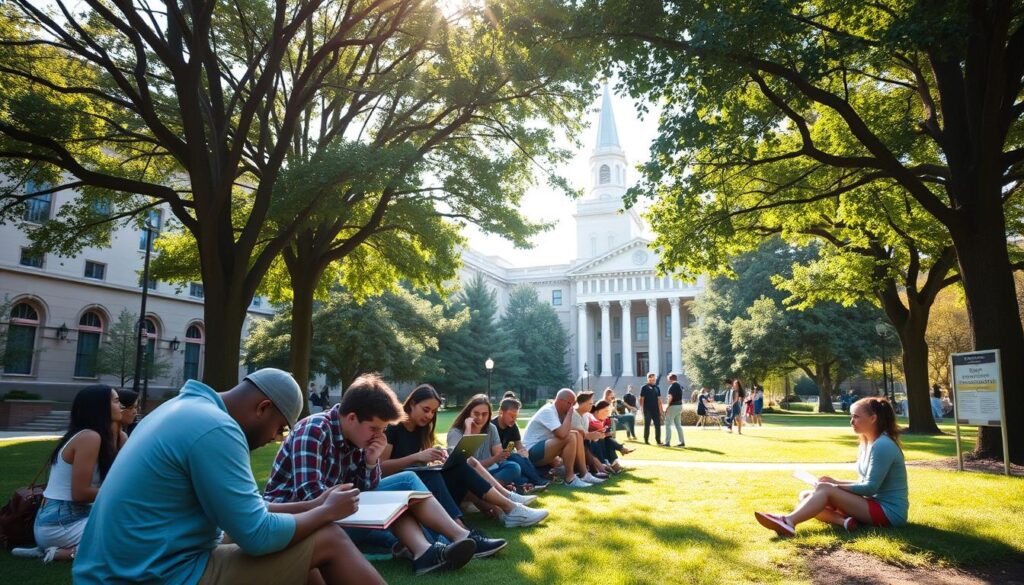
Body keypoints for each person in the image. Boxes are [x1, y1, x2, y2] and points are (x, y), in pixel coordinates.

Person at [73, 368, 384, 585]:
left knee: (303, 543)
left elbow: (246, 511)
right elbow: (258, 535)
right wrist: (325, 513)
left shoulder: (180, 409)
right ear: (263, 407)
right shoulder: (217, 428)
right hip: (153, 576)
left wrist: (314, 505)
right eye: (279, 428)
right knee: (328, 538)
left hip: (118, 570)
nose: (274, 438)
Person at [263, 375, 507, 575]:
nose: (378, 436)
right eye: (375, 428)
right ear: (351, 418)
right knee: (398, 493)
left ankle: (436, 548)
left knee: (405, 485)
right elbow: (315, 499)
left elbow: (369, 486)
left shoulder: (356, 437)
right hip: (301, 522)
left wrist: (370, 462)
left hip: (338, 513)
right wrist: (368, 496)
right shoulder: (313, 430)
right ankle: (445, 542)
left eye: (382, 430)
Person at [378, 386, 527, 543]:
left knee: (461, 465)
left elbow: (417, 464)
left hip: (421, 484)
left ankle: (507, 508)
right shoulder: (394, 428)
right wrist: (417, 456)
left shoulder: (420, 430)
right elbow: (382, 468)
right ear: (412, 404)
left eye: (433, 412)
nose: (429, 415)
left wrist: (435, 456)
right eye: (426, 409)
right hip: (401, 488)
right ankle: (465, 532)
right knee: (439, 473)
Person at [755, 397, 909, 537]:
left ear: (873, 418)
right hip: (870, 504)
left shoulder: (883, 445)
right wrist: (834, 481)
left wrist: (833, 486)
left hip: (889, 513)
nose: (851, 421)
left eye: (856, 417)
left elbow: (870, 487)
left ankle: (788, 522)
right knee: (806, 496)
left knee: (825, 489)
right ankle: (846, 522)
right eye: (851, 416)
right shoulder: (866, 443)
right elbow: (863, 481)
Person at [12, 386, 123, 563]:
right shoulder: (89, 437)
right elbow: (79, 493)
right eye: (116, 401)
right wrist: (122, 492)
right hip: (61, 523)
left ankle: (50, 549)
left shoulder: (91, 436)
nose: (122, 406)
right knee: (132, 537)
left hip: (62, 519)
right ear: (99, 407)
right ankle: (59, 553)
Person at [445, 395, 550, 523]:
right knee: (472, 463)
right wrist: (468, 428)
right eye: (476, 414)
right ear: (468, 413)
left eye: (484, 414)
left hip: (490, 472)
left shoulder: (491, 428)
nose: (480, 418)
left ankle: (507, 497)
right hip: (467, 477)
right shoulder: (456, 432)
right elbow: (462, 463)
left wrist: (501, 456)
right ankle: (508, 498)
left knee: (513, 465)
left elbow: (499, 457)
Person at [521, 389, 591, 488]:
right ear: (560, 401)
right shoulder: (548, 411)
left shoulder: (559, 412)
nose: (572, 407)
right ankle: (570, 479)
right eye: (570, 403)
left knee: (576, 434)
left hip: (542, 449)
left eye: (573, 404)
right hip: (531, 452)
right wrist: (570, 413)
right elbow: (562, 434)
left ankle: (585, 474)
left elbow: (568, 431)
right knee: (570, 436)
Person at [492, 398, 550, 491]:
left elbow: (519, 446)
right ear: (501, 412)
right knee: (515, 457)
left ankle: (532, 481)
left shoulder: (512, 426)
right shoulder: (492, 426)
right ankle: (537, 480)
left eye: (516, 417)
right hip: (496, 461)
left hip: (507, 459)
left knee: (519, 458)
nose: (514, 419)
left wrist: (523, 453)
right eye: (511, 416)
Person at [639, 373, 663, 445]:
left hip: (656, 410)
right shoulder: (644, 387)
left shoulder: (657, 387)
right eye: (652, 379)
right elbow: (641, 399)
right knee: (647, 425)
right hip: (647, 410)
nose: (654, 380)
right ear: (648, 379)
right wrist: (641, 409)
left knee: (658, 425)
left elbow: (659, 400)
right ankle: (646, 440)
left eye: (654, 379)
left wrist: (661, 410)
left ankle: (658, 441)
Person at [663, 373, 685, 447]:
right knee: (678, 425)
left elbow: (670, 397)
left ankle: (667, 442)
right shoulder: (679, 386)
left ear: (670, 379)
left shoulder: (671, 387)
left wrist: (667, 407)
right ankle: (682, 442)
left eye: (668, 379)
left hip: (673, 406)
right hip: (679, 406)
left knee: (668, 424)